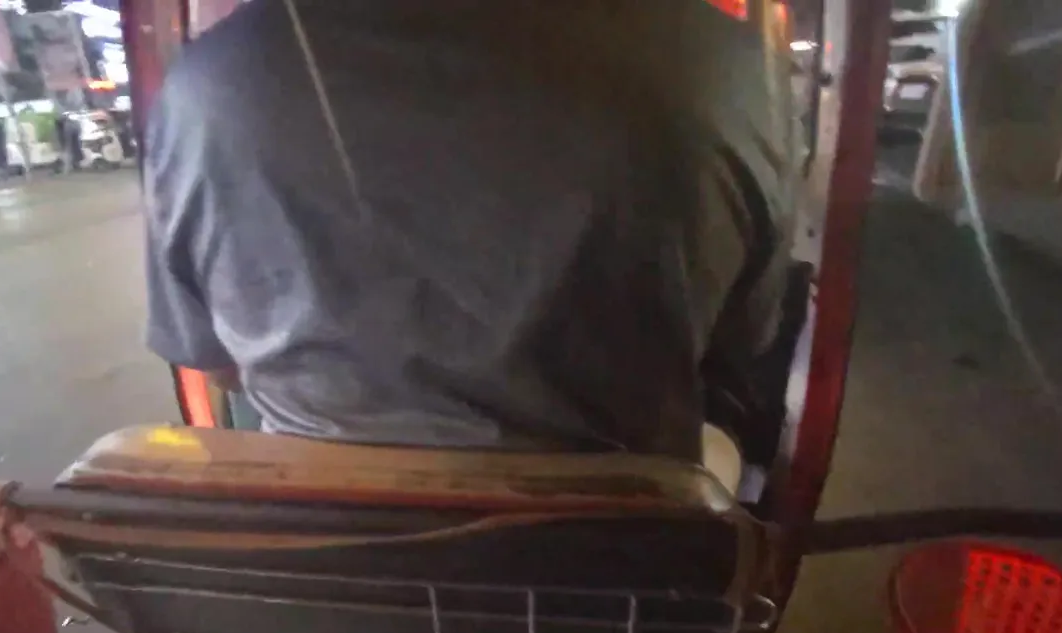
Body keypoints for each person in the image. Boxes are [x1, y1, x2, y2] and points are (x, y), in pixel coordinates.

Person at [143, 0, 792, 463]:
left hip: (322, 558)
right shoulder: (721, 67)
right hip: (621, 566)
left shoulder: (209, 84)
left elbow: (213, 360)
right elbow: (741, 339)